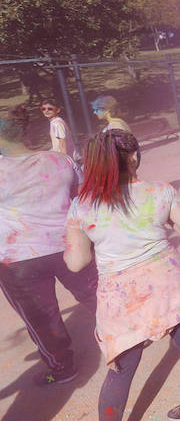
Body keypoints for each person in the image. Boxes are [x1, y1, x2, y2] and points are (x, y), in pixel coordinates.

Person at [64, 130, 180, 421]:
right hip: (169, 281)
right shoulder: (161, 191)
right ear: (134, 156)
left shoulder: (82, 206)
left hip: (122, 299)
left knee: (121, 369)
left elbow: (76, 262)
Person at [0, 104, 97, 387]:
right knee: (95, 294)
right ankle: (128, 334)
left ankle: (62, 367)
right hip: (70, 245)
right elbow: (82, 197)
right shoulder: (60, 161)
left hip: (16, 259)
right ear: (26, 130)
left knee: (42, 316)